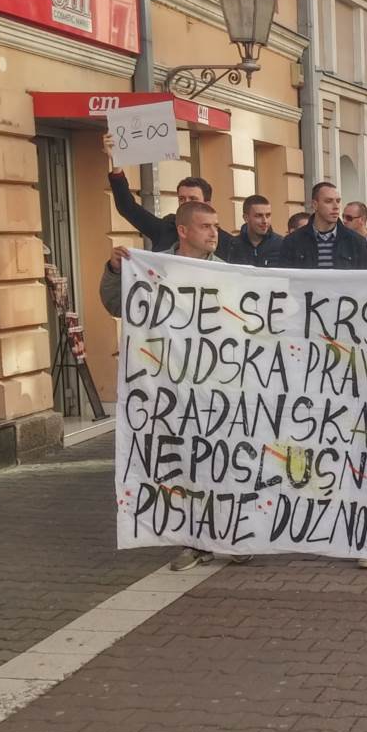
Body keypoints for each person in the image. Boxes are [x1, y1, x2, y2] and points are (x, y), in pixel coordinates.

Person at [99, 201, 252, 572]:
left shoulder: (228, 274)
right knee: (184, 463)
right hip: (171, 390)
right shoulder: (152, 270)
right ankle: (194, 541)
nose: (214, 233)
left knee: (221, 463)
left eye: (215, 226)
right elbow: (118, 304)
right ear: (183, 231)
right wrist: (114, 270)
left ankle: (231, 535)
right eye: (205, 227)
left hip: (218, 387)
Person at [100, 133, 233, 256]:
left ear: (207, 204)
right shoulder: (164, 229)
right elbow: (127, 208)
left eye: (193, 199)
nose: (186, 202)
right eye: (182, 198)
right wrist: (117, 165)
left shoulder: (224, 242)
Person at [280, 182, 367, 270]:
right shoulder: (292, 242)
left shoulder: (357, 242)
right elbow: (285, 280)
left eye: (338, 201)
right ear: (315, 205)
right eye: (328, 201)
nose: (336, 206)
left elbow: (365, 281)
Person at [228, 194, 283, 268]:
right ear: (246, 218)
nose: (265, 221)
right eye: (259, 216)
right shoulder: (232, 246)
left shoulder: (282, 244)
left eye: (268, 215)